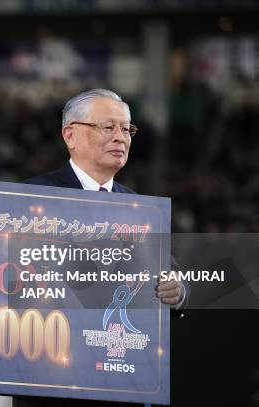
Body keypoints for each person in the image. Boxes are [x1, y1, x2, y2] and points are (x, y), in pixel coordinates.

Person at [16, 88, 185, 407]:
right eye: (109, 127)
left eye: (127, 129)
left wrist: (178, 292)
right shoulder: (32, 197)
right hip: (49, 383)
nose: (121, 137)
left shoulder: (139, 207)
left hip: (120, 381)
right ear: (71, 135)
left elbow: (169, 275)